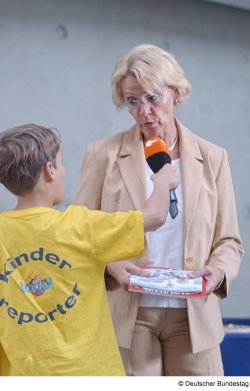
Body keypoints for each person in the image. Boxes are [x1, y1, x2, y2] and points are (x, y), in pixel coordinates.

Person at [74, 44, 244, 376]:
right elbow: (81, 233)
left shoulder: (213, 157)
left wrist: (219, 271)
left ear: (176, 94)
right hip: (128, 316)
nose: (144, 111)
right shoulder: (102, 155)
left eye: (153, 98)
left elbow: (229, 241)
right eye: (132, 101)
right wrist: (113, 265)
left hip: (195, 316)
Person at [0, 124, 178, 376]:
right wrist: (163, 181)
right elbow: (154, 216)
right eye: (60, 163)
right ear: (50, 170)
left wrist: (106, 262)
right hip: (90, 372)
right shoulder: (81, 224)